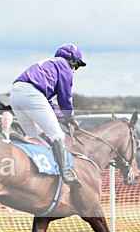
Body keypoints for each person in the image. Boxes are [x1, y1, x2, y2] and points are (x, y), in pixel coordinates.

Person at [9, 44, 86, 186]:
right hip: (31, 94)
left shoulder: (51, 65)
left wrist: (61, 117)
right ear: (72, 61)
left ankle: (29, 171)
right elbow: (65, 98)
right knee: (57, 135)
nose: (75, 71)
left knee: (33, 136)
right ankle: (66, 172)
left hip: (15, 94)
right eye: (77, 66)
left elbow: (47, 102)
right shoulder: (65, 67)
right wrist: (70, 118)